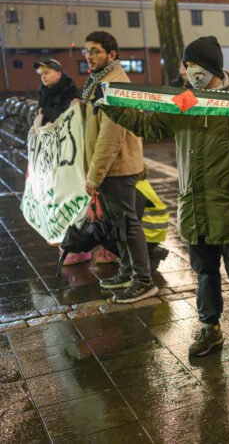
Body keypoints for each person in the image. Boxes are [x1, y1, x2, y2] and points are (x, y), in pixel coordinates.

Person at [100, 36, 229, 361]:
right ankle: (210, 329)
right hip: (194, 207)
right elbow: (151, 126)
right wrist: (115, 111)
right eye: (186, 66)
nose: (189, 71)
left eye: (194, 65)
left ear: (211, 66)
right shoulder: (184, 101)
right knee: (205, 275)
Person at [81, 31, 155, 303]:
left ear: (112, 55)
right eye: (87, 51)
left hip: (118, 167)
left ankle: (143, 280)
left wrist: (94, 175)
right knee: (120, 225)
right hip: (112, 167)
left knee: (128, 224)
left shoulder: (115, 85)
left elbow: (110, 137)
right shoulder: (99, 81)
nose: (89, 56)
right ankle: (126, 272)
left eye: (95, 51)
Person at [30, 58, 90, 265]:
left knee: (69, 193)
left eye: (46, 72)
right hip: (50, 156)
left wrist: (45, 114)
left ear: (58, 73)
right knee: (54, 195)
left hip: (67, 155)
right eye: (41, 74)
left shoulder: (70, 93)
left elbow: (66, 122)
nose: (43, 77)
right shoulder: (44, 93)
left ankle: (78, 246)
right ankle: (66, 243)